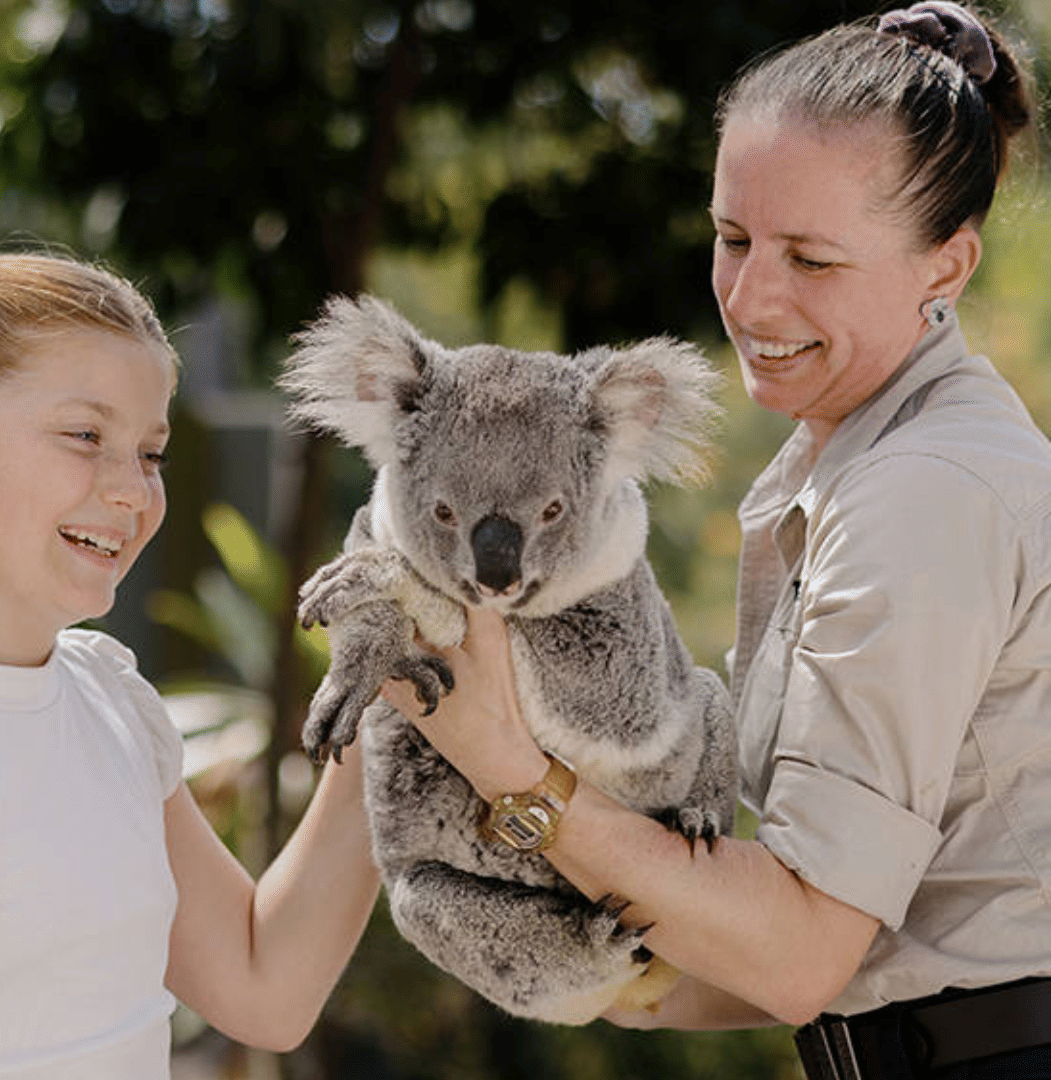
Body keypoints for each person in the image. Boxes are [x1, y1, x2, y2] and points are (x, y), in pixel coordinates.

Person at [387, 4, 1046, 1078]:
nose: (748, 296)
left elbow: (799, 956)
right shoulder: (859, 463)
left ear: (948, 267)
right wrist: (574, 962)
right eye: (733, 238)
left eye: (813, 260)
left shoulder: (923, 493)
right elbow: (845, 949)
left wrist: (514, 772)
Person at [0, 249, 380, 1078]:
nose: (132, 489)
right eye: (85, 436)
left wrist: (388, 710)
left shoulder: (108, 699)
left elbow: (264, 987)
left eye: (150, 452)